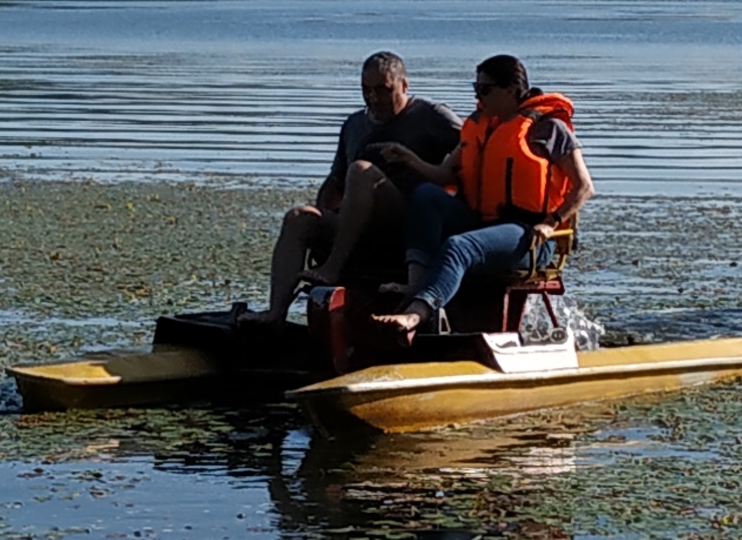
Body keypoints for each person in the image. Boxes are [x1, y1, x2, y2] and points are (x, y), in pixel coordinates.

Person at [372, 54, 593, 338]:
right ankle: (416, 283)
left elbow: (584, 187)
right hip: (484, 224)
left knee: (458, 247)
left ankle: (415, 314)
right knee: (426, 195)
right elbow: (445, 175)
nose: (479, 96)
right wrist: (410, 159)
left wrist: (551, 222)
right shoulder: (482, 126)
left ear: (512, 90)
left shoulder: (549, 129)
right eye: (475, 88)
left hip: (531, 236)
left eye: (485, 90)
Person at [240, 52, 462, 327]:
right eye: (366, 90)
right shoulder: (354, 124)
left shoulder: (432, 116)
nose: (374, 98)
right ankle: (275, 313)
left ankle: (333, 267)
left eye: (383, 90)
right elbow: (335, 181)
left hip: (406, 220)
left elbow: (473, 142)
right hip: (357, 221)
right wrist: (322, 213)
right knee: (299, 217)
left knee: (361, 171)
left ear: (404, 86)